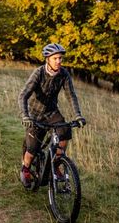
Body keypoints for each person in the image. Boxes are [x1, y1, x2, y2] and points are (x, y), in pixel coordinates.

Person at [19, 43, 86, 186]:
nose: (59, 61)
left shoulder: (64, 74)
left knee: (65, 130)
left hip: (51, 112)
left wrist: (78, 115)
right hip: (35, 114)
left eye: (60, 58)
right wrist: (25, 115)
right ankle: (25, 169)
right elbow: (23, 95)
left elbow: (71, 96)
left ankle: (55, 164)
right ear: (47, 59)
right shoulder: (39, 73)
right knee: (32, 148)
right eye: (55, 58)